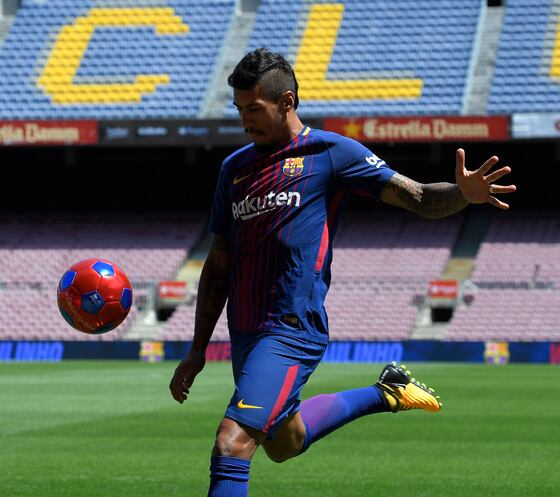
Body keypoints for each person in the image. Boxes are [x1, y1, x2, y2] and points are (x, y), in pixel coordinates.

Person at [168, 48, 516, 497]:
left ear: (287, 102)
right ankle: (386, 392)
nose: (244, 121)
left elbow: (418, 197)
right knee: (283, 443)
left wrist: (463, 194)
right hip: (246, 333)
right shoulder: (233, 169)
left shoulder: (330, 153)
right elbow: (217, 268)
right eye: (239, 110)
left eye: (253, 109)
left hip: (291, 330)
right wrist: (197, 350)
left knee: (232, 444)